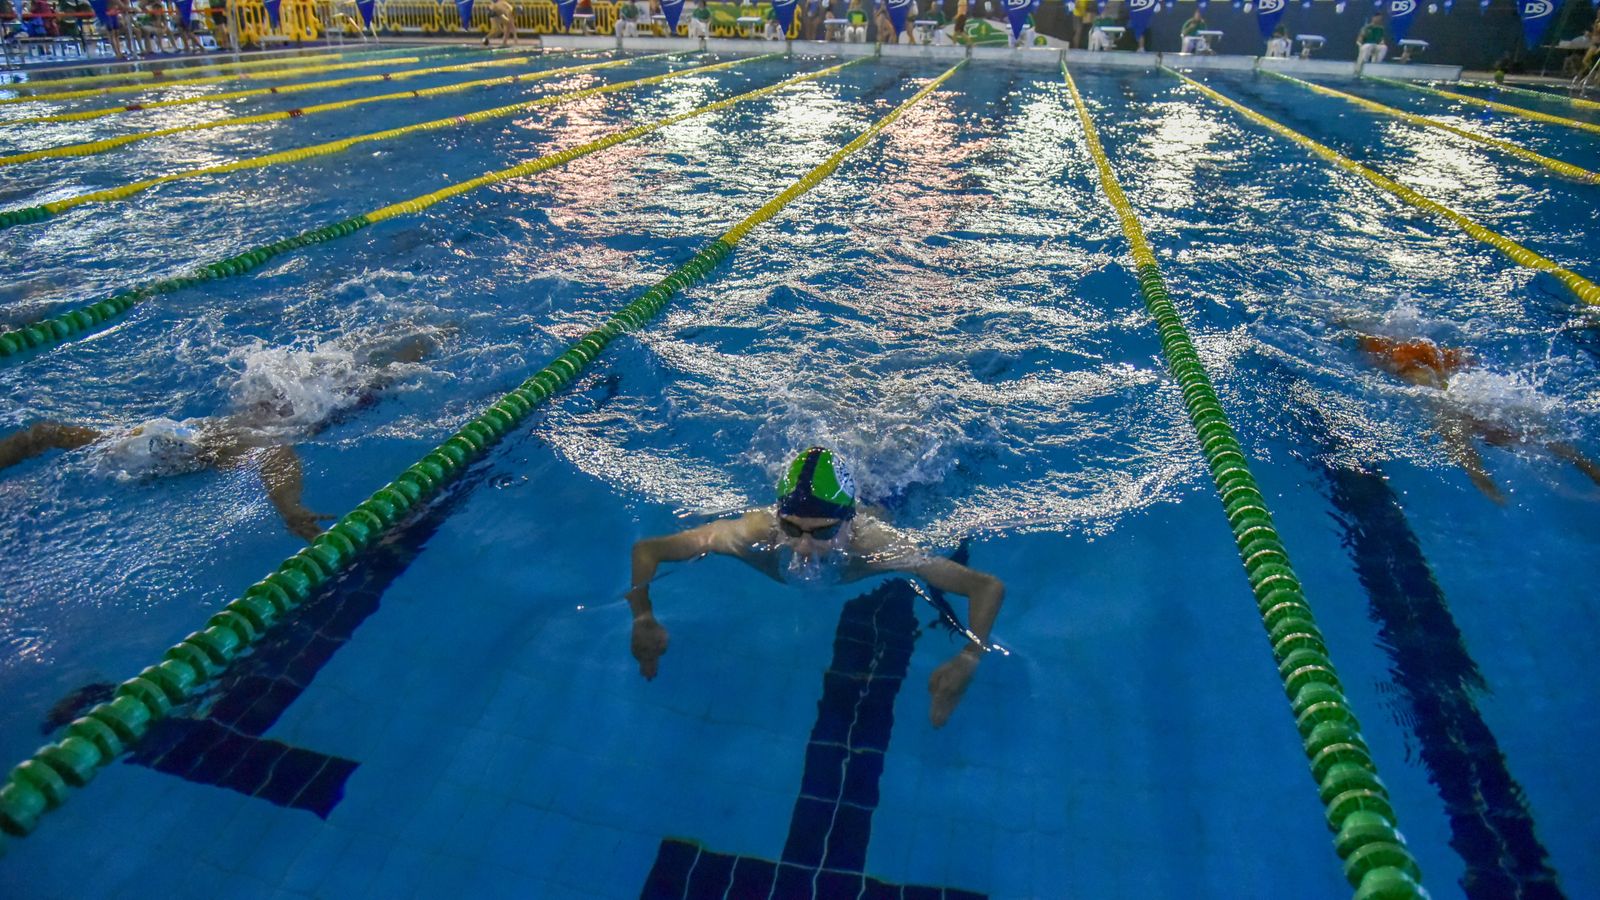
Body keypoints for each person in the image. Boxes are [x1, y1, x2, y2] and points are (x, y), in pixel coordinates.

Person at [626, 447, 1006, 728]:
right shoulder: (751, 535)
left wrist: (970, 657)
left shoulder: (878, 545)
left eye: (822, 532)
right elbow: (648, 551)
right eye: (791, 528)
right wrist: (643, 616)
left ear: (848, 522)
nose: (804, 546)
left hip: (893, 485)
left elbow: (986, 587)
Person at [0, 331, 441, 542]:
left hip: (311, 409)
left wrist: (291, 509)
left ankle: (435, 335)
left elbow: (277, 452)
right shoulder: (142, 440)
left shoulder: (212, 447)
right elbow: (46, 432)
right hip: (277, 399)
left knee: (386, 373)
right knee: (350, 362)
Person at [1356, 334, 1600, 503]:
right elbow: (1465, 455)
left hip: (1419, 360)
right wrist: (1486, 485)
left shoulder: (1460, 410)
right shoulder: (1459, 412)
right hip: (1408, 359)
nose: (1507, 439)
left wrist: (1485, 484)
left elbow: (1465, 453)